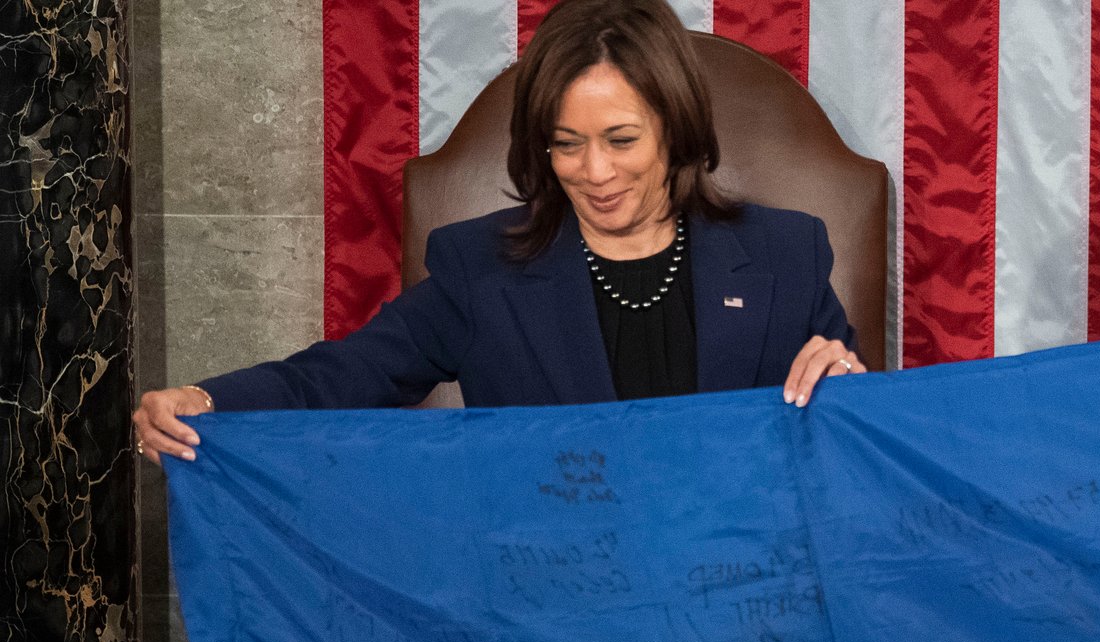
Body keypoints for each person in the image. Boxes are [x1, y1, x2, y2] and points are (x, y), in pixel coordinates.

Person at [133, 0, 862, 465]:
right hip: (551, 623)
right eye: (565, 142)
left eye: (620, 138)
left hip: (740, 611)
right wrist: (209, 401)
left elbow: (853, 441)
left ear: (675, 130)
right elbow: (343, 377)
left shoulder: (785, 255)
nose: (593, 171)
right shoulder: (479, 269)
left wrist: (852, 391)